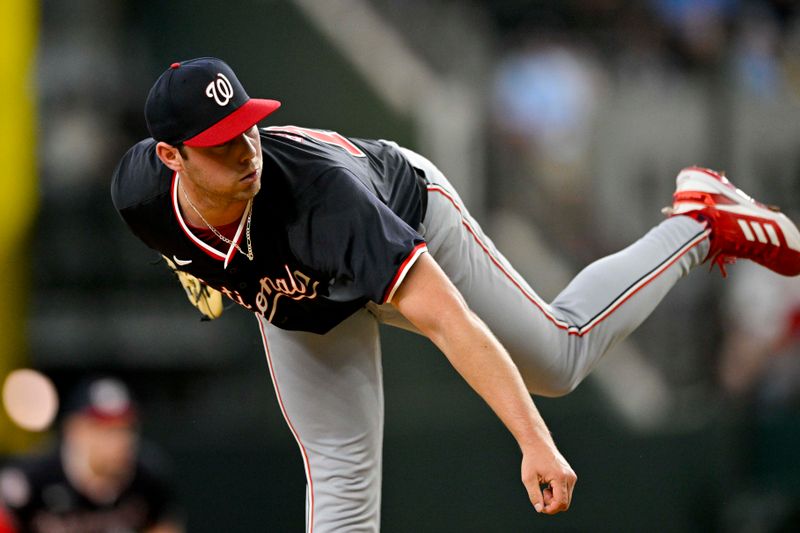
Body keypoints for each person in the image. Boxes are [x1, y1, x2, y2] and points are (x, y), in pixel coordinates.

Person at [110, 57, 800, 531]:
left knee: (558, 358)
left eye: (248, 125)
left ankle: (698, 221)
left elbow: (448, 321)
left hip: (404, 218)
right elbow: (192, 239)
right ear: (171, 157)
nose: (245, 147)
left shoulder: (322, 197)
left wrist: (533, 440)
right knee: (340, 471)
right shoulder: (140, 194)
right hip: (304, 297)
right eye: (221, 142)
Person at [0, 377, 184, 533]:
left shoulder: (148, 477)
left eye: (126, 428)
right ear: (74, 430)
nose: (119, 441)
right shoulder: (30, 481)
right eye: (104, 429)